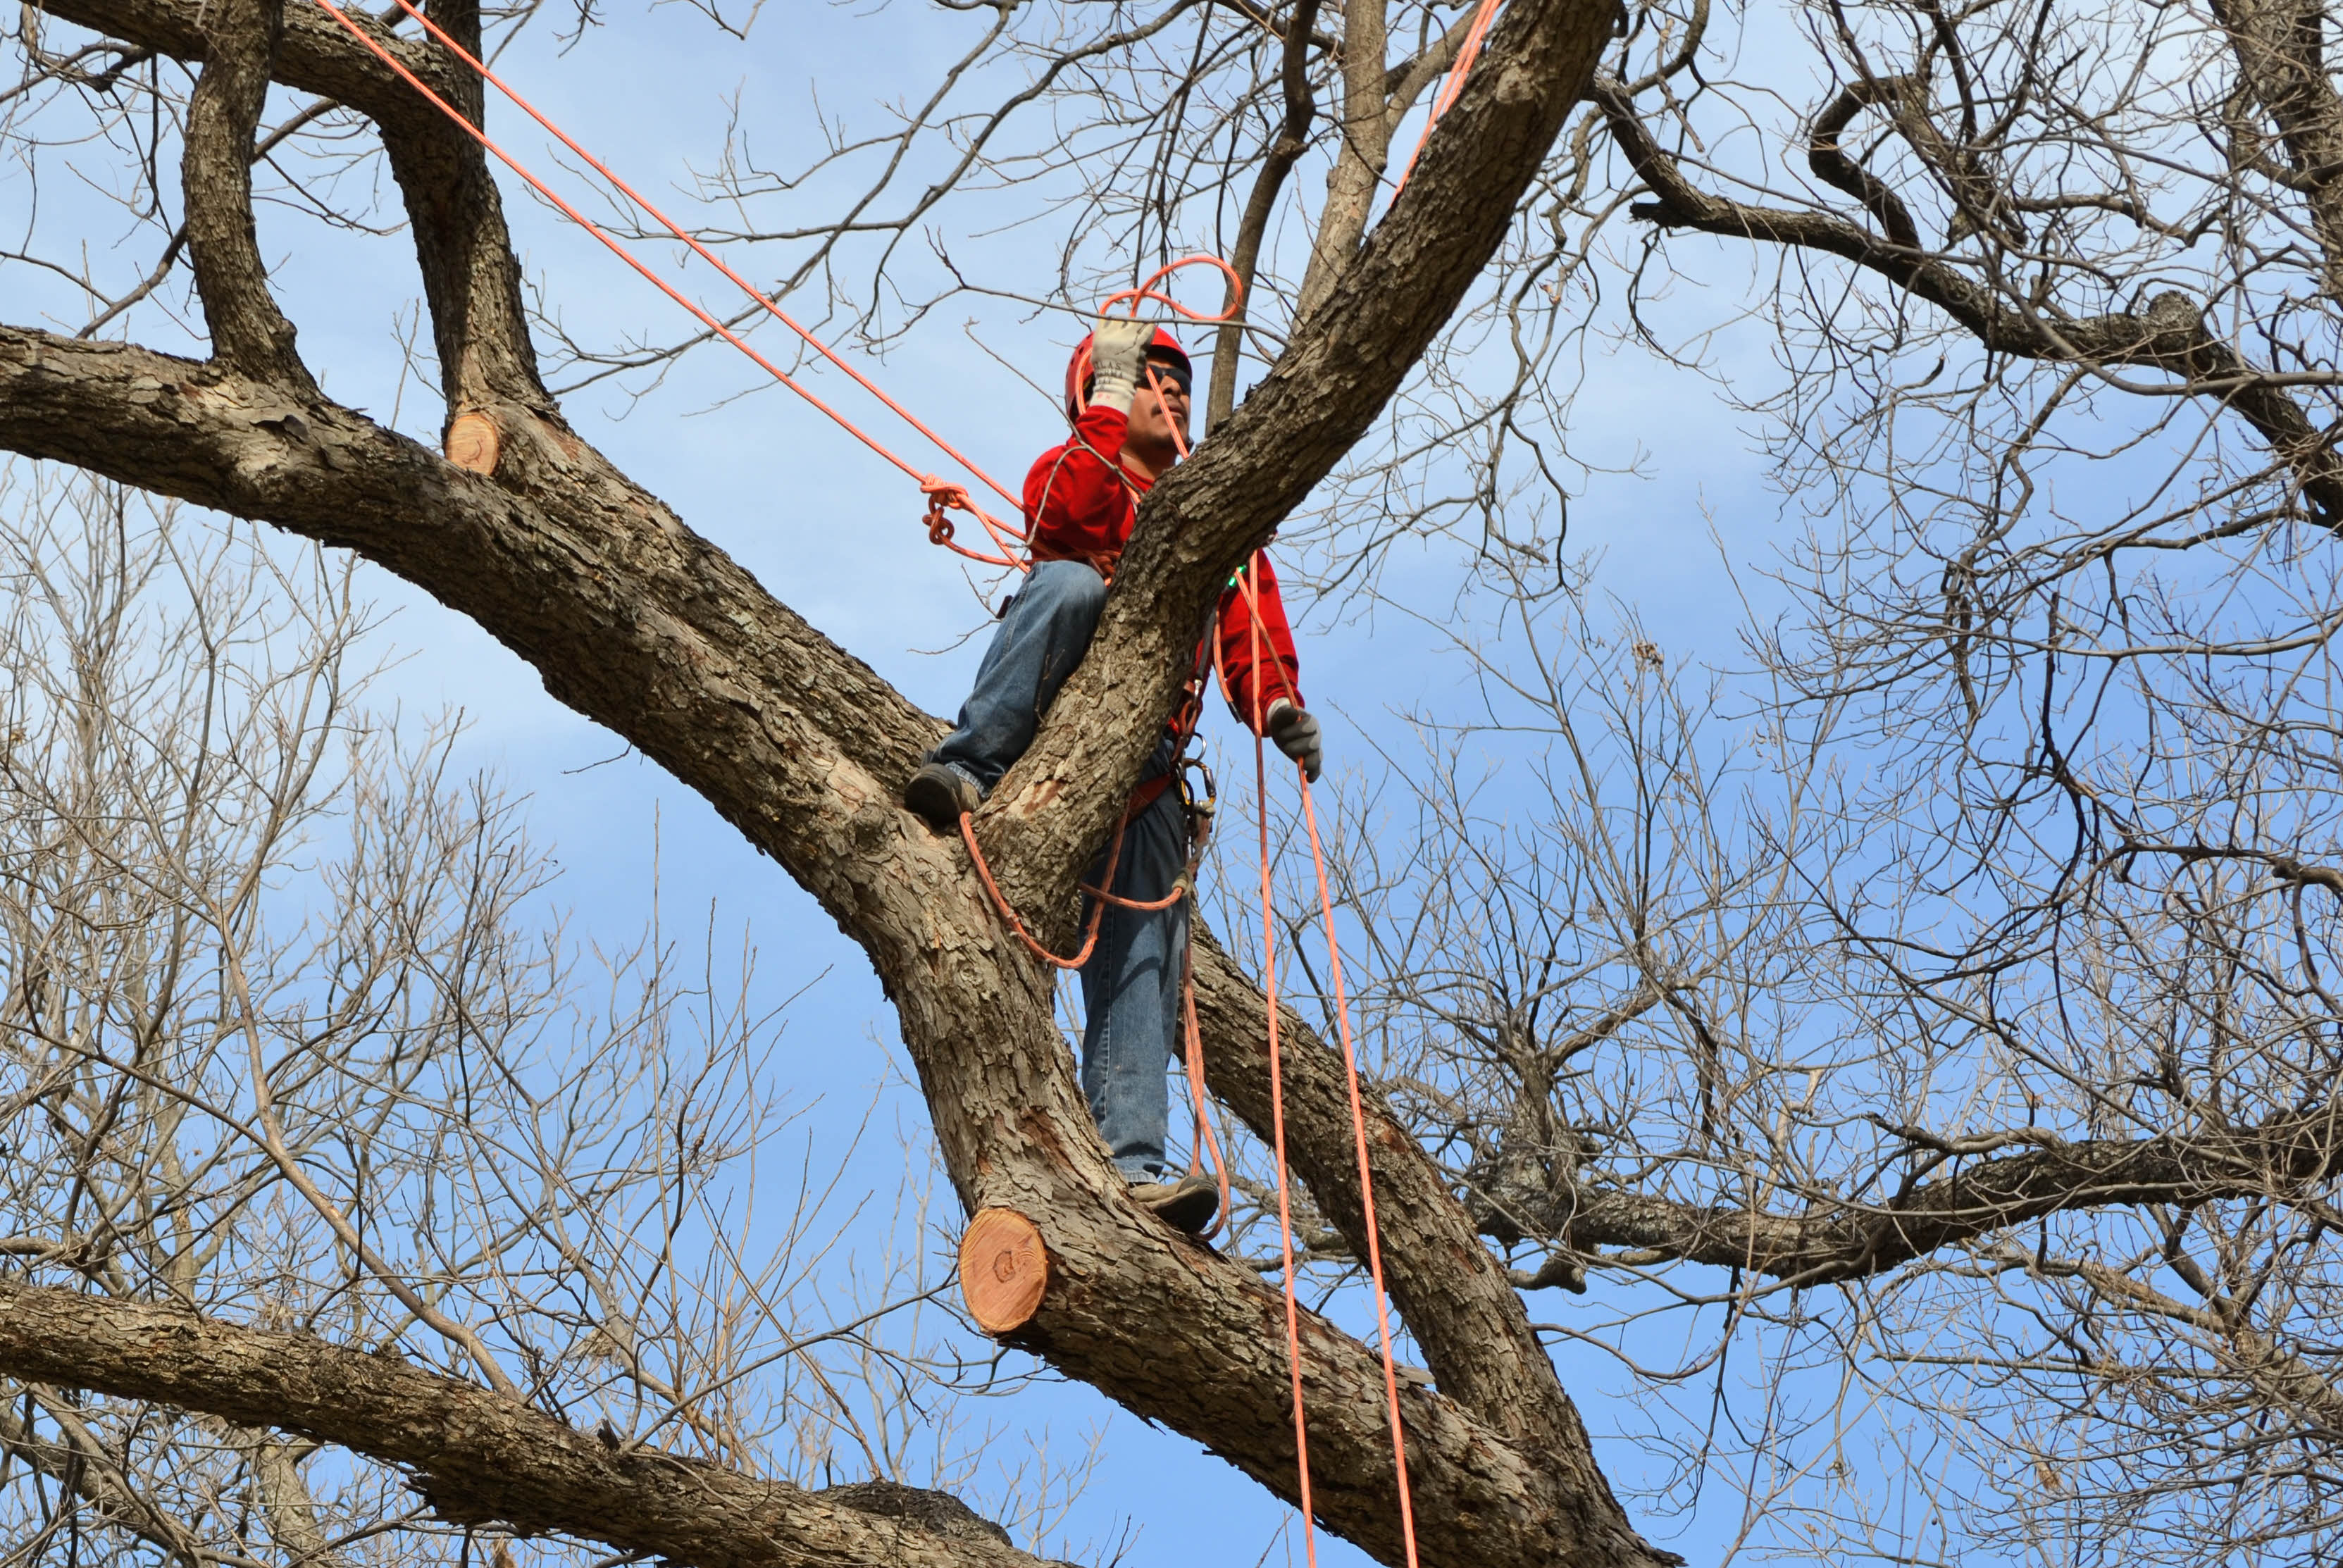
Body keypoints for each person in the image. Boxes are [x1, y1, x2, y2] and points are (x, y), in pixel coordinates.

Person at [902, 316, 1323, 1233]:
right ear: (1100, 398)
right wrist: (1100, 405)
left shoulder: (1220, 529)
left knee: (1142, 965)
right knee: (1068, 585)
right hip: (1050, 737)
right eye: (1146, 381)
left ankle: (1134, 1166)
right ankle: (967, 765)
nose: (1169, 394)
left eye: (1178, 383)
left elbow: (1251, 624)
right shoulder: (1076, 473)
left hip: (1149, 778)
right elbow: (1060, 520)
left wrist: (1279, 707)